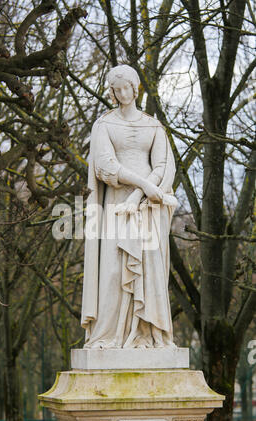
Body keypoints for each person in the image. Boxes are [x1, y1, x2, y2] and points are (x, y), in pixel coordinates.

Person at [81, 64, 178, 349]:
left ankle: (148, 335)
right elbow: (105, 166)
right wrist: (143, 186)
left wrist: (140, 195)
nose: (123, 93)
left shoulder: (153, 125)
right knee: (114, 269)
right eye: (117, 89)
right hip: (115, 204)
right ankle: (111, 335)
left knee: (149, 270)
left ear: (136, 88)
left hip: (148, 207)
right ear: (112, 92)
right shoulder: (104, 125)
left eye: (127, 88)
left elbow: (162, 165)